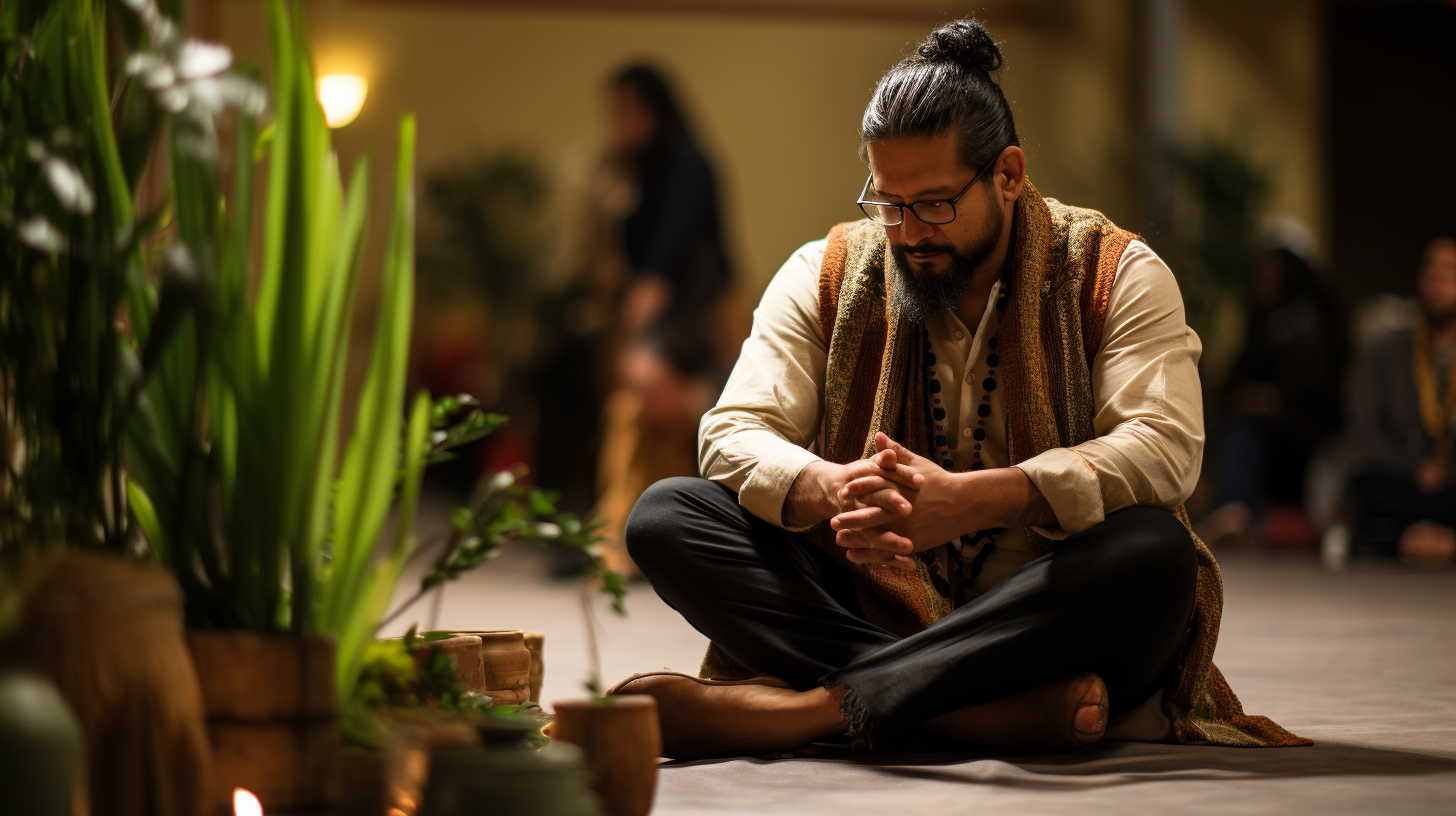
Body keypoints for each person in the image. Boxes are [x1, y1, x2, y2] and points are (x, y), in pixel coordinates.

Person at [611, 19, 1307, 759]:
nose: (908, 233)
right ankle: (988, 714)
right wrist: (829, 488)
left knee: (1156, 555)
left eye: (935, 203)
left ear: (1008, 174)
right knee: (666, 516)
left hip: (1049, 617)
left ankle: (814, 709)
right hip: (874, 604)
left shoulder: (1117, 272)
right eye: (888, 202)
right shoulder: (829, 271)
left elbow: (1165, 450)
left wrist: (985, 497)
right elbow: (731, 430)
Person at [1345, 236, 1456, 566]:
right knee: (1368, 488)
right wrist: (1414, 469)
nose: (1436, 280)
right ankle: (1433, 539)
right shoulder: (1388, 350)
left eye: (1449, 271)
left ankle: (1411, 539)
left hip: (1452, 481)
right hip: (1403, 477)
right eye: (1430, 269)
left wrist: (1445, 474)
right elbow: (1364, 427)